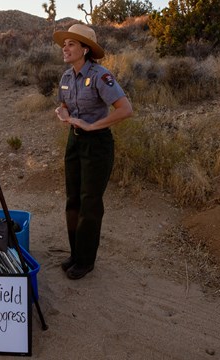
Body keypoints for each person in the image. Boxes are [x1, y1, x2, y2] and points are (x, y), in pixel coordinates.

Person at [53, 24, 133, 280]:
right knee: (73, 199)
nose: (65, 48)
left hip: (97, 144)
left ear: (85, 49)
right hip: (74, 143)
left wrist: (91, 125)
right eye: (64, 44)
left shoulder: (101, 75)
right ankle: (76, 254)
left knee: (90, 202)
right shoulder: (65, 78)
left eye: (72, 44)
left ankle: (86, 261)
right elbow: (64, 105)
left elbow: (125, 109)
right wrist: (62, 113)